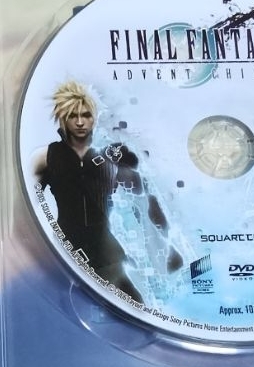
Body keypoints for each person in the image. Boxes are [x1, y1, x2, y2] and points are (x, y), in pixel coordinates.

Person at [31, 81, 180, 303]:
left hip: (107, 250)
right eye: (72, 116)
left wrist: (167, 244)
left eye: (86, 115)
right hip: (63, 248)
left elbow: (144, 200)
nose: (80, 122)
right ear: (62, 118)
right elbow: (24, 207)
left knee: (134, 304)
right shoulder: (45, 157)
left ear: (94, 117)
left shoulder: (112, 155)